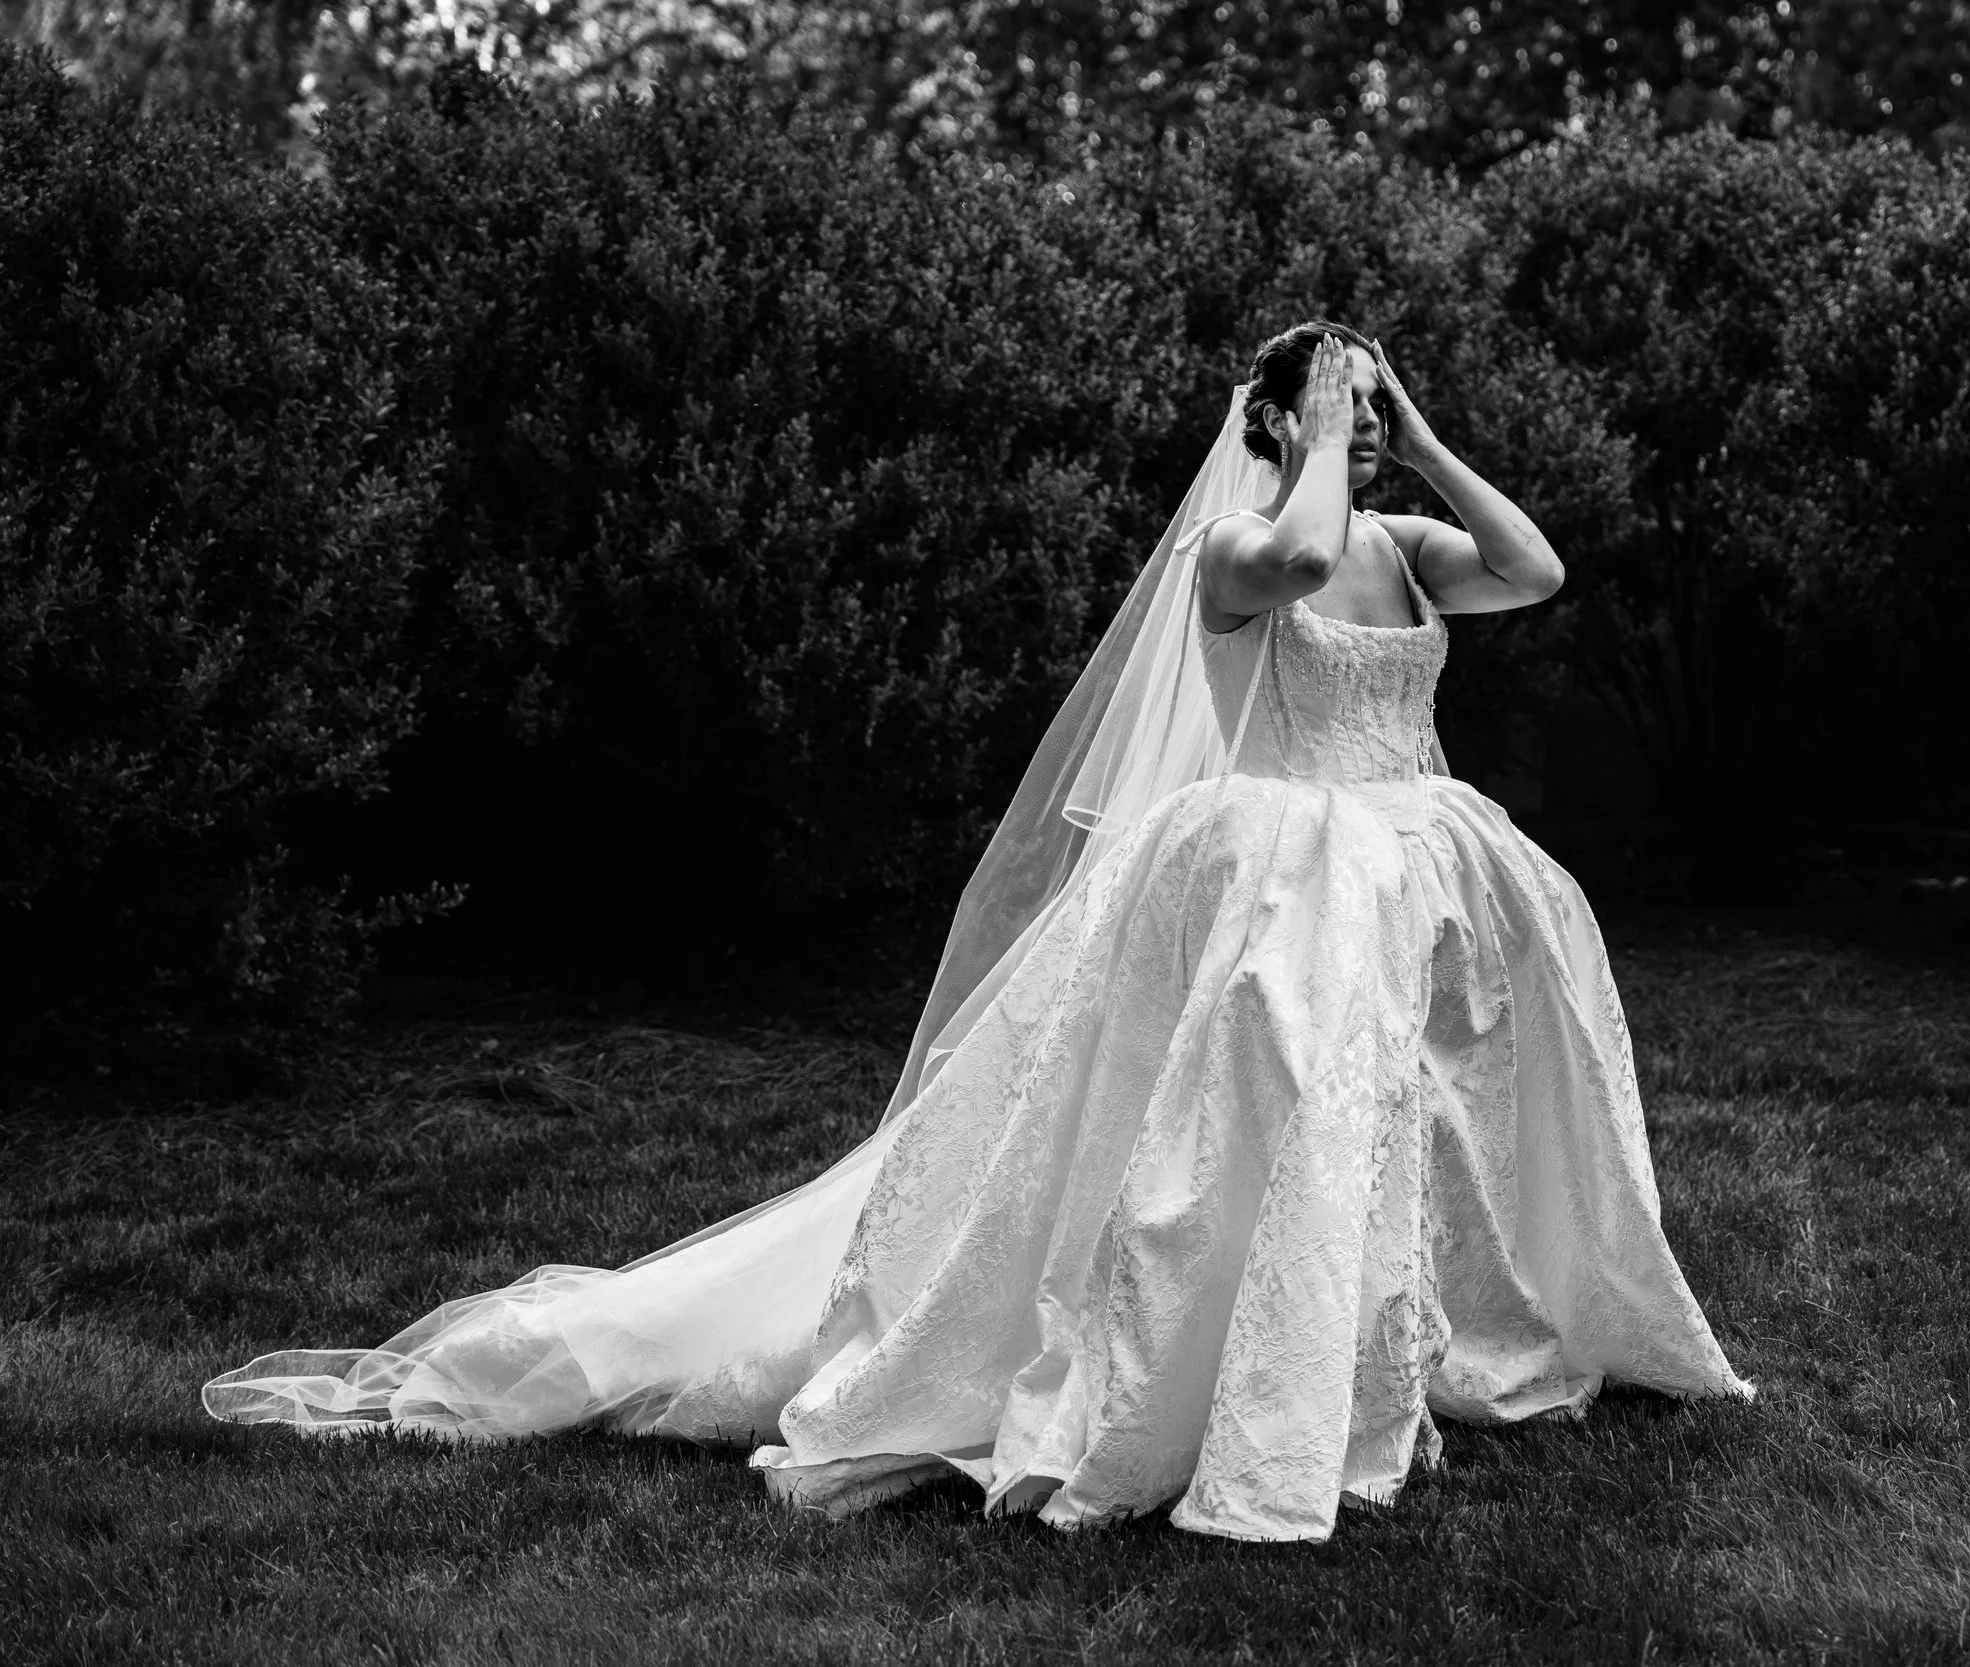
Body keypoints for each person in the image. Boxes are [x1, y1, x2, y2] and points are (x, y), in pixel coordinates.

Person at [204, 321, 1753, 1544]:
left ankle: (1402, 1336)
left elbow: (1535, 568)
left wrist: (1412, 434)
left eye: (1369, 415)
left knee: (1421, 1119)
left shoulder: (1403, 546)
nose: (1360, 434)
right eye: (1340, 414)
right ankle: (1216, 1370)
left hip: (1414, 850)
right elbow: (1288, 557)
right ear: (1277, 429)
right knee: (1262, 1118)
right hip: (1278, 858)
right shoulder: (1237, 554)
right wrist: (1316, 438)